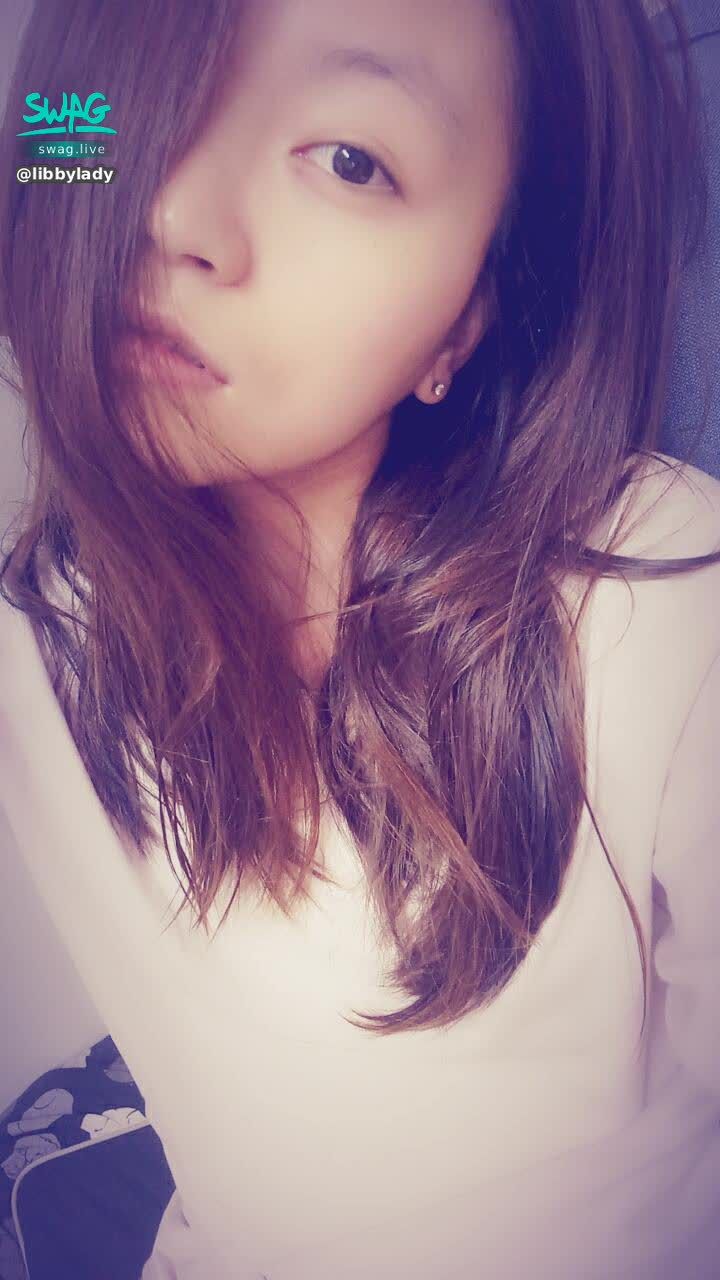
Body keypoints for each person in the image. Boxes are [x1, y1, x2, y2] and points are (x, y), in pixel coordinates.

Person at [0, 1, 719, 1277]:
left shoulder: (656, 601)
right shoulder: (39, 619)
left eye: (350, 159)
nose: (176, 218)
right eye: (146, 101)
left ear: (465, 318)